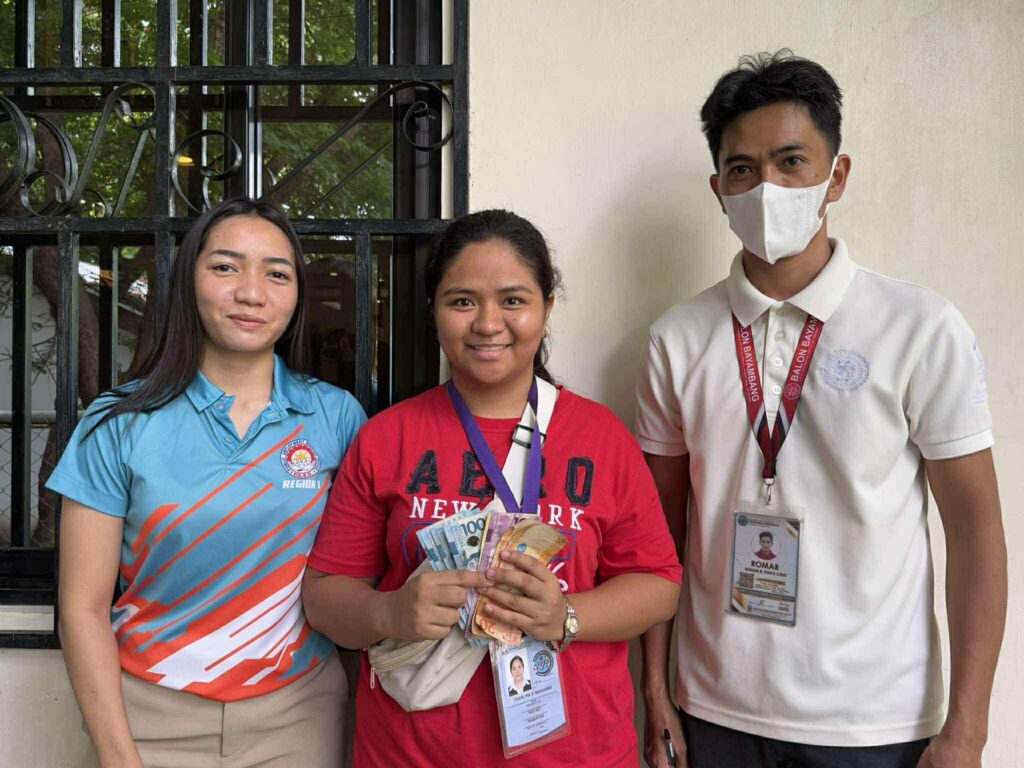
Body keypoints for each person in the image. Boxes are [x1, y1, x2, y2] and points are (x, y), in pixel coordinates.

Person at [638, 51, 1007, 768]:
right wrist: (655, 689)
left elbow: (976, 534)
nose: (766, 188)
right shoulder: (676, 339)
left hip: (874, 724)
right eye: (742, 170)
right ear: (719, 190)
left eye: (791, 162)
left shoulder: (920, 328)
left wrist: (968, 731)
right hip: (714, 709)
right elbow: (658, 534)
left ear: (836, 176)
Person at [302, 209, 682, 767]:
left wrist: (566, 616)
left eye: (512, 300)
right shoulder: (387, 437)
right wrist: (389, 612)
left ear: (546, 309)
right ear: (433, 310)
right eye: (462, 301)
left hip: (578, 754)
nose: (487, 323)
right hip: (411, 753)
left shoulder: (601, 438)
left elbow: (659, 585)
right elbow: (323, 596)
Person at [49, 198, 366, 768]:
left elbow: (351, 582)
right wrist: (119, 757)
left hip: (300, 715)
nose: (251, 292)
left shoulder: (336, 417)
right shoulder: (117, 422)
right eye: (225, 267)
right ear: (187, 281)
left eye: (277, 274)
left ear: (297, 295)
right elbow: (82, 608)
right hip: (146, 715)